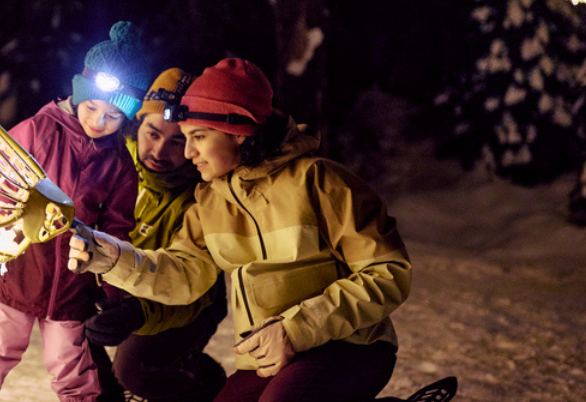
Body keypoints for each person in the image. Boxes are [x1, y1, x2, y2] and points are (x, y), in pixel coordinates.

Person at [69, 58, 413, 402]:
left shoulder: (320, 181)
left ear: (239, 132)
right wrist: (112, 257)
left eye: (198, 137)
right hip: (266, 359)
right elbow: (184, 275)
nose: (189, 153)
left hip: (347, 346)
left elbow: (388, 271)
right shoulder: (209, 201)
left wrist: (298, 328)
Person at [0, 21, 151, 402]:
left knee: (71, 364)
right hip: (20, 271)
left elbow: (117, 228)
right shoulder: (38, 131)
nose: (98, 121)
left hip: (70, 286)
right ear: (78, 95)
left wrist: (113, 288)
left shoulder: (118, 164)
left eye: (112, 116)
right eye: (92, 107)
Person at [88, 68, 228, 402]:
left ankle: (205, 383)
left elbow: (193, 287)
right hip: (119, 285)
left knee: (137, 368)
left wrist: (141, 312)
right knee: (63, 316)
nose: (159, 151)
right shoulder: (112, 161)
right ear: (137, 127)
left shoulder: (204, 194)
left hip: (190, 300)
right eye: (152, 133)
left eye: (177, 141)